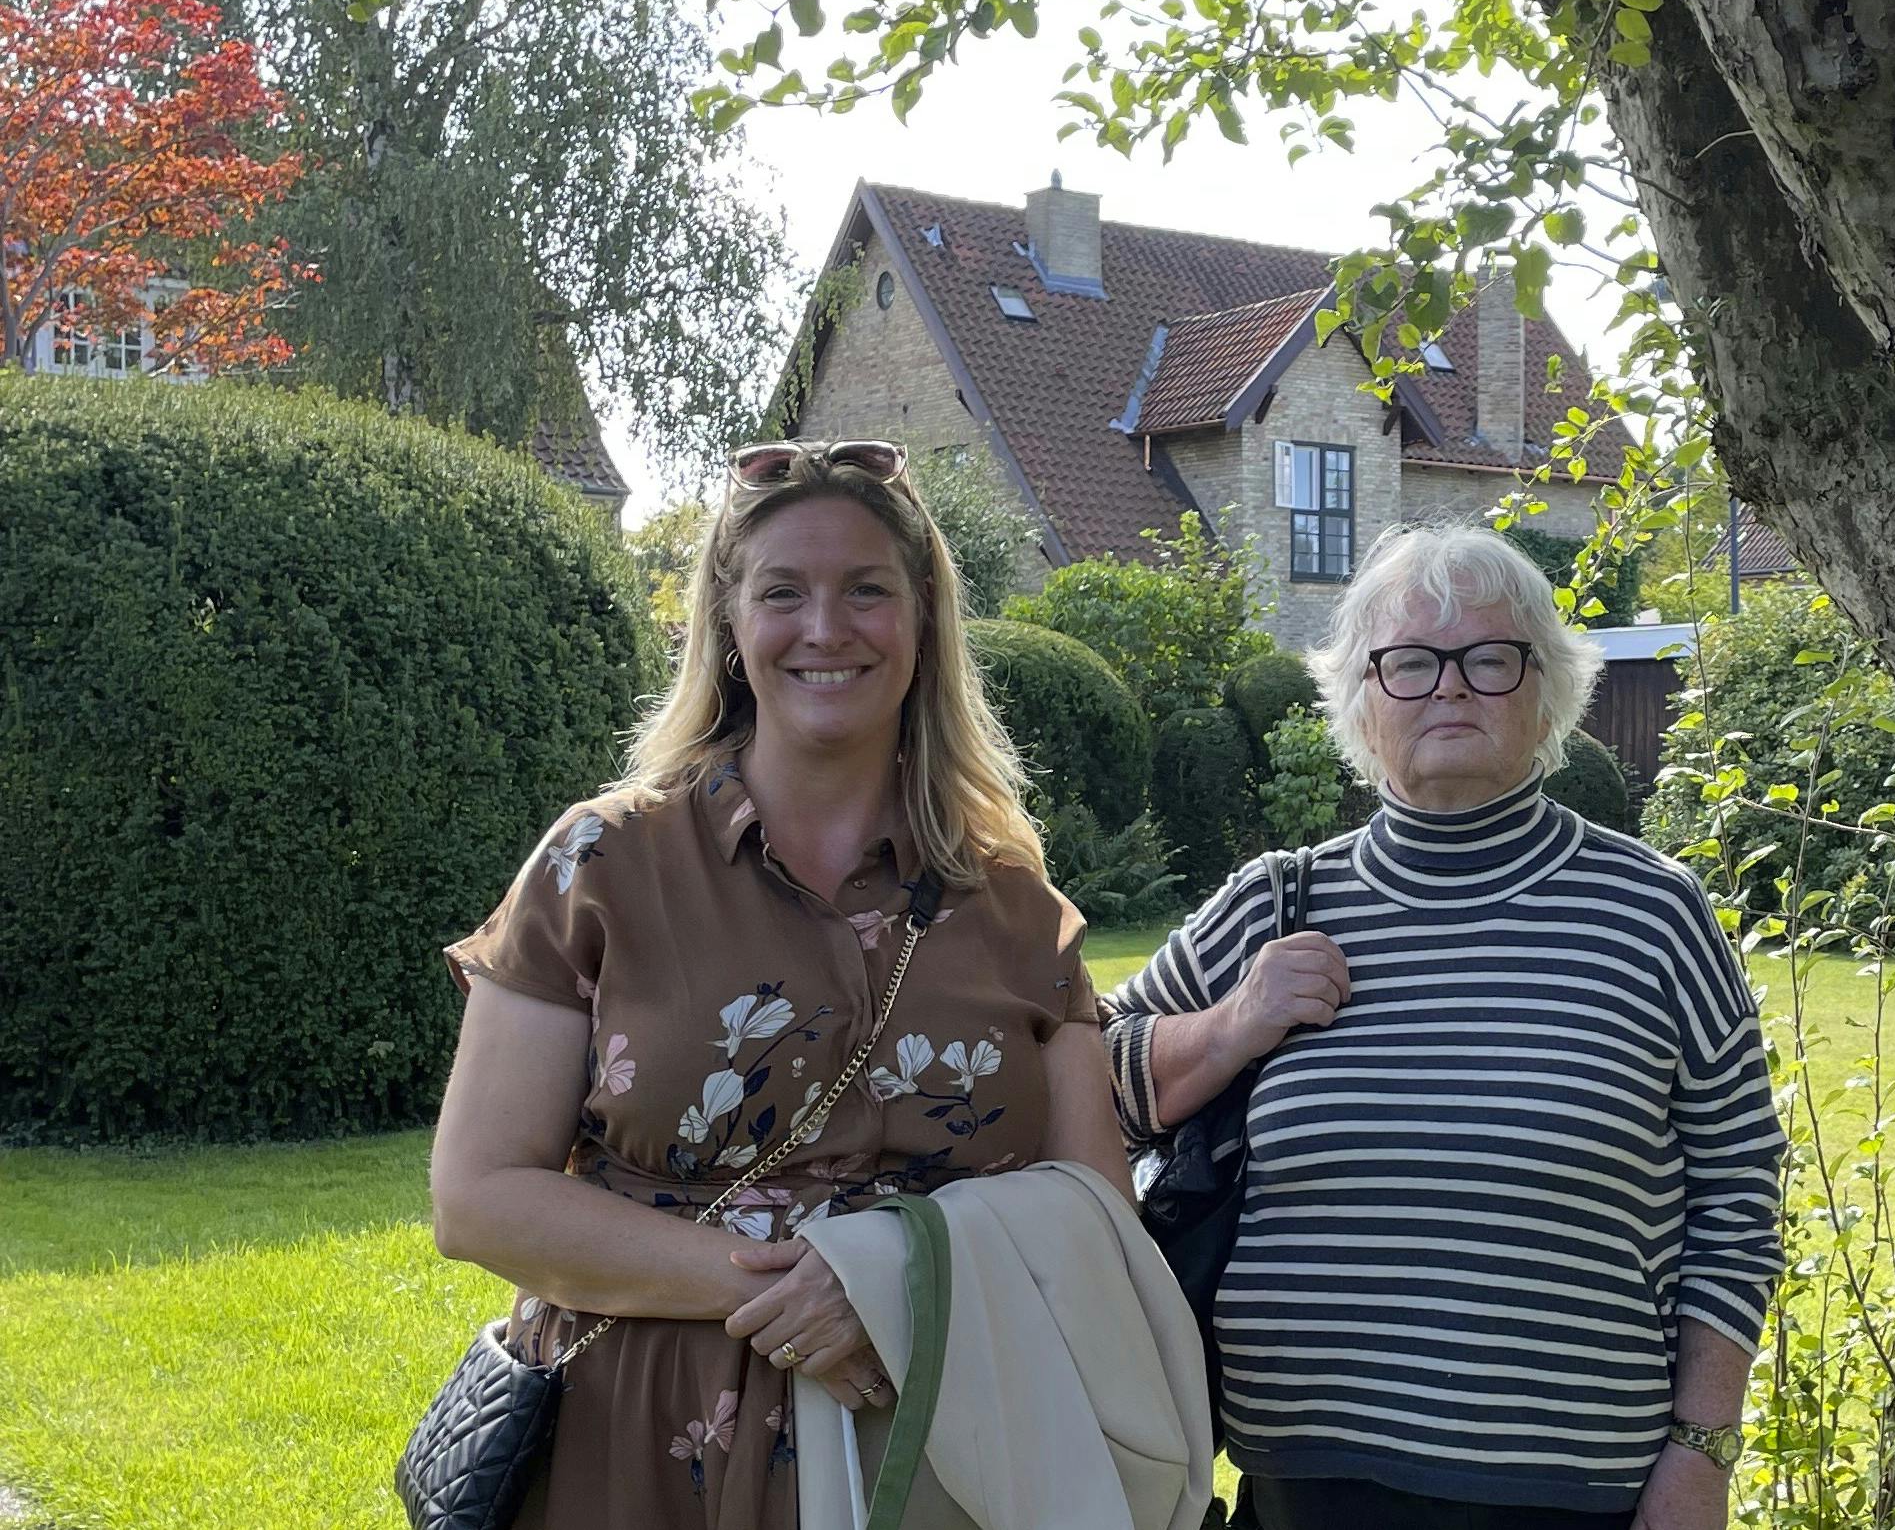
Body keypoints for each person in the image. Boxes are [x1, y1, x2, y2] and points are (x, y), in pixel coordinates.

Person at [430, 438, 1129, 1528]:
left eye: (867, 590)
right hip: (633, 1455)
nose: (826, 628)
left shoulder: (1018, 911)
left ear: (924, 621)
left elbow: (1098, 1217)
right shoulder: (598, 867)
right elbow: (478, 1198)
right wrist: (806, 1287)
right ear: (728, 625)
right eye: (783, 592)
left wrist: (897, 1289)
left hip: (940, 1455)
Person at [1104, 524, 1787, 1530]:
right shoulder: (1279, 903)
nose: (1451, 688)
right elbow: (1086, 1076)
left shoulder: (1651, 914)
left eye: (1490, 659)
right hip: (1306, 1492)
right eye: (1413, 662)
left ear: (1545, 689)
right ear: (1362, 697)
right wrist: (1232, 1025)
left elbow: (1737, 1198)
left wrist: (1702, 1456)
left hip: (1573, 1494)